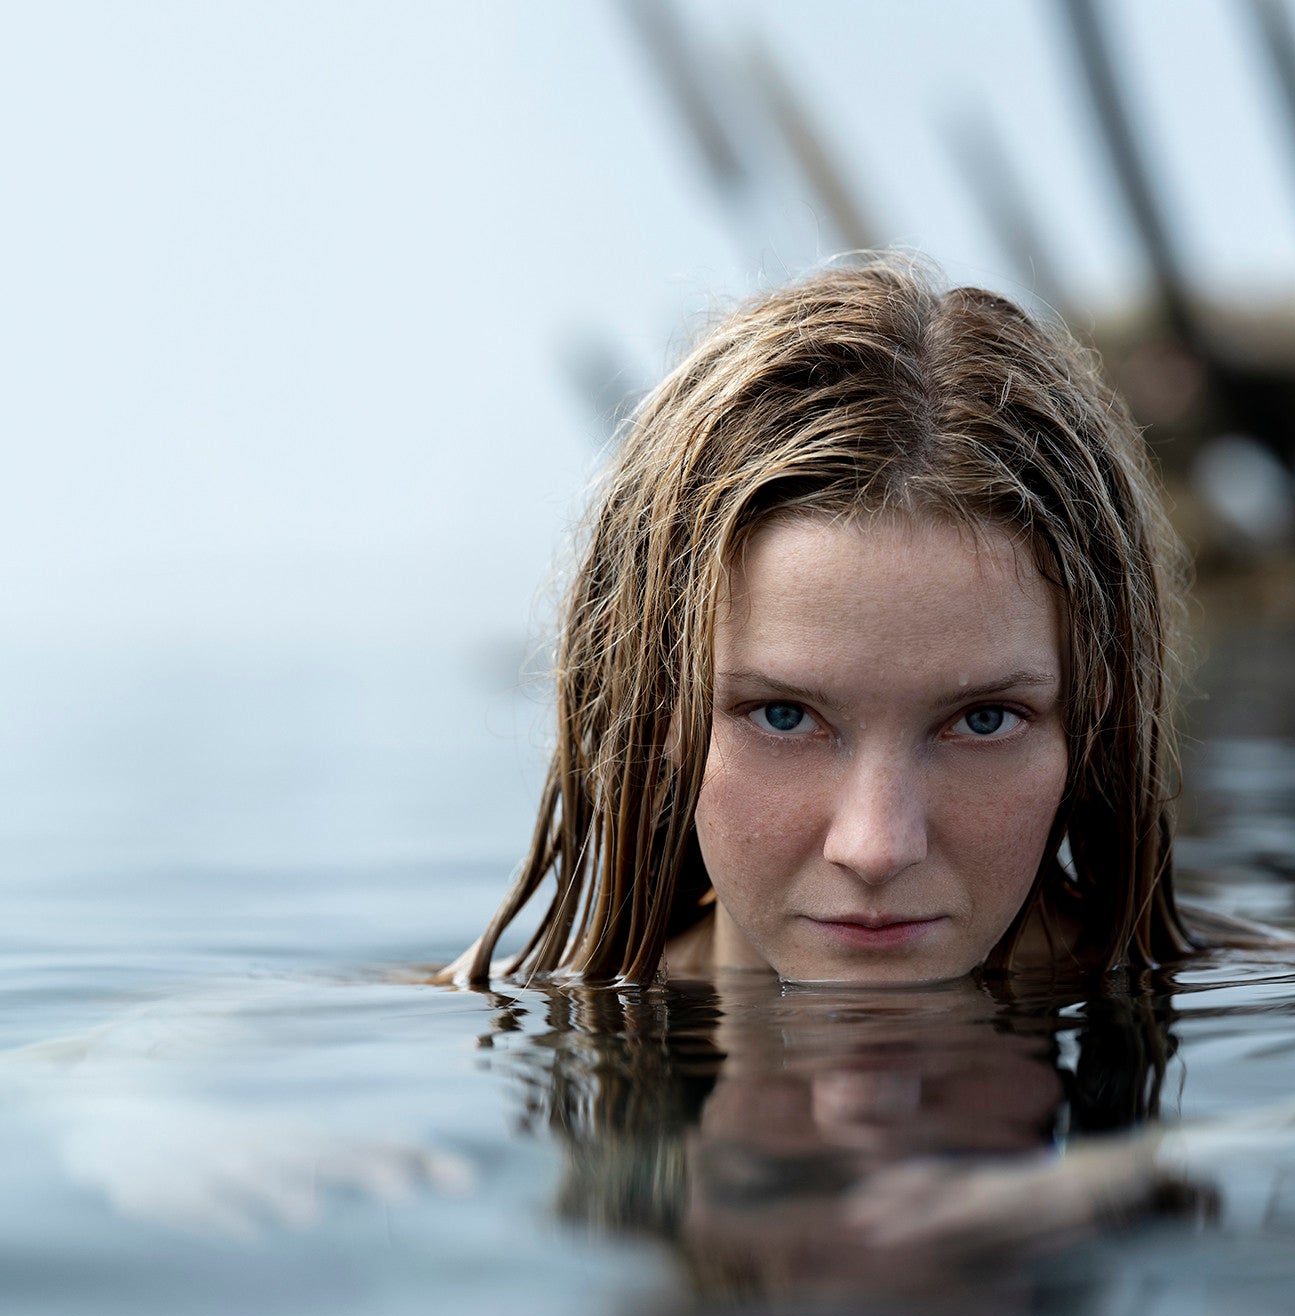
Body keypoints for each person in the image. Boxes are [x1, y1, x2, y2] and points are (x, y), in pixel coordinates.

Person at [453, 258, 1196, 989]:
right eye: (782, 715)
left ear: (1092, 712)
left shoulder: (1255, 1001)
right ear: (658, 708)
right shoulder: (468, 1027)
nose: (877, 850)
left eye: (985, 720)